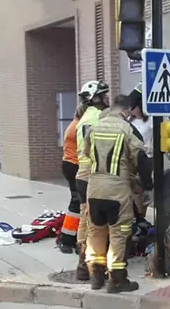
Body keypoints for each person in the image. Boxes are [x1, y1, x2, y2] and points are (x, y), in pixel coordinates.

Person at [83, 94, 153, 293]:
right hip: (117, 191)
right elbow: (140, 157)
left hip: (94, 189)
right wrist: (146, 185)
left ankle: (96, 277)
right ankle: (117, 280)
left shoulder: (94, 128)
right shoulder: (127, 129)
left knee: (95, 231)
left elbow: (88, 154)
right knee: (119, 234)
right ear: (127, 110)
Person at [73, 80, 111, 281]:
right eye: (104, 95)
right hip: (92, 175)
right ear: (95, 98)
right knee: (95, 224)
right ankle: (91, 267)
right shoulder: (97, 117)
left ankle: (82, 266)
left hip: (82, 175)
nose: (108, 98)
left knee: (85, 221)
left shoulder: (85, 117)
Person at [58, 103, 88, 254]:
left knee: (77, 202)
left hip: (70, 165)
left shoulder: (74, 124)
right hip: (74, 165)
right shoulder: (79, 126)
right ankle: (67, 239)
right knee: (77, 203)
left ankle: (69, 238)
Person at [128, 84, 152, 220]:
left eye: (134, 107)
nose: (132, 110)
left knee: (142, 193)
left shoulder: (150, 121)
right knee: (134, 193)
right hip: (133, 160)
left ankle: (141, 216)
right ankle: (136, 216)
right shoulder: (128, 121)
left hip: (147, 158)